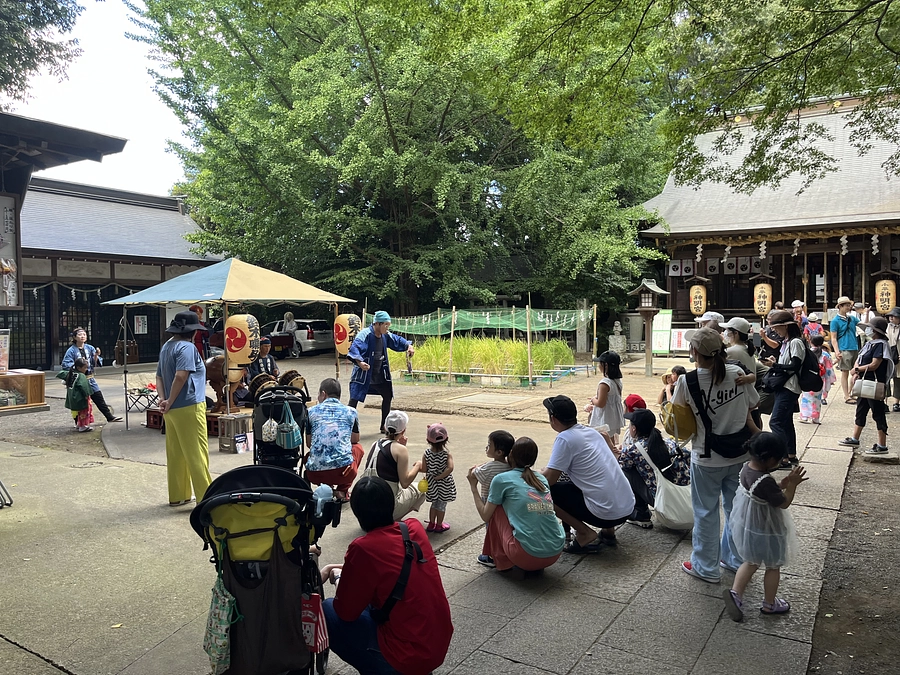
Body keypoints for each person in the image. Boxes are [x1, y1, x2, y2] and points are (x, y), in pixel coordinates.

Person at [320, 476, 453, 675]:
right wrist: (340, 568)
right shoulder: (413, 529)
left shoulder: (363, 548)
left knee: (328, 610)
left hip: (404, 656)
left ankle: (381, 667)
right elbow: (391, 567)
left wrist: (338, 577)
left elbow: (346, 612)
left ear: (357, 512)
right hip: (436, 643)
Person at [671, 327, 760, 583]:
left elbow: (678, 417)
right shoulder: (738, 373)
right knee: (735, 509)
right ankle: (733, 559)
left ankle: (705, 567)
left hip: (706, 456)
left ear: (695, 352)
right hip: (740, 454)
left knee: (705, 512)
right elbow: (752, 404)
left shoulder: (686, 381)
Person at [723, 432, 807, 622]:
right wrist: (792, 485)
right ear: (769, 459)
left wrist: (781, 484)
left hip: (750, 527)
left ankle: (736, 594)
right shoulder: (765, 480)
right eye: (778, 459)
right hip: (768, 529)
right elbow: (783, 503)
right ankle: (770, 604)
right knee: (773, 565)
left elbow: (762, 491)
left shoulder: (747, 468)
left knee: (751, 561)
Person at [541, 395, 635, 553]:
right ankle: (608, 533)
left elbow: (549, 480)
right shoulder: (591, 432)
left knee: (545, 492)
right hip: (626, 508)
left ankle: (584, 533)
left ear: (553, 419)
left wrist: (529, 476)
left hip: (606, 514)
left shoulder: (564, 438)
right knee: (595, 481)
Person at [467, 437, 565, 575]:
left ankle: (498, 559)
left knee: (496, 507)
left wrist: (473, 487)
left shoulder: (501, 479)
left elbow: (485, 515)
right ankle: (533, 555)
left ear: (510, 454)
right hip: (554, 552)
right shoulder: (541, 478)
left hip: (525, 556)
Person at [156, 310, 212, 507]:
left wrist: (164, 401)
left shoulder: (166, 347)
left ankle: (179, 495)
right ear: (194, 331)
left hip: (171, 410)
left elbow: (159, 377)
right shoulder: (187, 348)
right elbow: (181, 376)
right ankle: (206, 498)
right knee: (197, 453)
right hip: (189, 405)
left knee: (176, 453)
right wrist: (170, 400)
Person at [617, 408, 691, 529]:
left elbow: (619, 467)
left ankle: (641, 514)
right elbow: (689, 456)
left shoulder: (632, 450)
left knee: (626, 471)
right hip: (688, 501)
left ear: (634, 428)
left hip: (665, 504)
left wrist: (613, 450)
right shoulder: (669, 442)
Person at [348, 311, 415, 433]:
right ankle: (346, 424)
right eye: (386, 325)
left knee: (387, 395)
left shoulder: (385, 335)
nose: (387, 328)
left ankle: (384, 426)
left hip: (379, 374)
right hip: (363, 374)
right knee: (354, 398)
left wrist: (408, 346)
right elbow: (354, 348)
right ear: (377, 324)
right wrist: (360, 362)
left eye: (388, 325)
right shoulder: (365, 334)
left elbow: (397, 340)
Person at [839, 316, 893, 454]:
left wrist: (857, 370)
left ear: (876, 331)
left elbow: (875, 364)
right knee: (861, 409)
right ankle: (855, 438)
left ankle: (882, 445)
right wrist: (856, 369)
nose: (868, 330)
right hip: (864, 381)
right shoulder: (870, 343)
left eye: (870, 328)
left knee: (878, 412)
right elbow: (859, 359)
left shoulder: (881, 344)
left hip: (874, 383)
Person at [305, 378, 364, 501]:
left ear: (323, 394)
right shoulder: (351, 412)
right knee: (358, 448)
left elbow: (309, 443)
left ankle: (326, 488)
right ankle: (342, 490)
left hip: (315, 474)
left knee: (311, 454)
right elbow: (355, 439)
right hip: (343, 473)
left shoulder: (310, 412)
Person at [362, 410, 426, 520]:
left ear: (385, 427)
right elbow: (405, 482)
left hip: (365, 508)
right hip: (386, 508)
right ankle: (392, 520)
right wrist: (418, 466)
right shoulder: (401, 450)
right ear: (404, 430)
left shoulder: (375, 444)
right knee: (422, 489)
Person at [764, 309, 805, 468]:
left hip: (790, 386)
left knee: (776, 422)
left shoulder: (795, 342)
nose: (774, 330)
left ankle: (782, 458)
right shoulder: (787, 342)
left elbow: (794, 366)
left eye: (776, 327)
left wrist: (775, 365)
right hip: (786, 386)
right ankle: (790, 454)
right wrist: (776, 361)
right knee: (786, 422)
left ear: (786, 326)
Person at [471, 430, 514, 567]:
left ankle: (490, 556)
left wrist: (477, 467)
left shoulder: (489, 468)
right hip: (505, 504)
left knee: (490, 530)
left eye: (489, 445)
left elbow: (473, 474)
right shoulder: (510, 466)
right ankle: (503, 552)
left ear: (499, 452)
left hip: (489, 502)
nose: (486, 447)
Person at [62, 327, 122, 423]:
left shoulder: (90, 348)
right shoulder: (71, 351)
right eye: (80, 335)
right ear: (74, 337)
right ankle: (78, 422)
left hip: (90, 378)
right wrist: (77, 367)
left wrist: (96, 356)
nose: (82, 336)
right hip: (78, 379)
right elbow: (66, 364)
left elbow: (95, 362)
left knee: (98, 396)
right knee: (79, 401)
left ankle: (109, 416)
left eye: (84, 334)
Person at [421, 423, 456, 533]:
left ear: (428, 440)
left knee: (434, 504)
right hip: (444, 483)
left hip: (431, 483)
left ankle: (431, 524)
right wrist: (440, 476)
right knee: (441, 505)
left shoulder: (426, 453)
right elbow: (450, 468)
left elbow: (424, 468)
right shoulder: (446, 454)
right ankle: (439, 525)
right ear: (446, 439)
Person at [585, 350, 624, 442]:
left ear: (605, 365)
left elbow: (601, 403)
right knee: (611, 441)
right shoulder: (617, 381)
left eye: (600, 363)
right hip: (613, 417)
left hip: (605, 418)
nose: (599, 366)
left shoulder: (604, 383)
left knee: (603, 442)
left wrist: (594, 400)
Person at [799, 335, 835, 424]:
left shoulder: (806, 352)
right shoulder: (825, 355)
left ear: (810, 342)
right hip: (819, 379)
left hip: (807, 377)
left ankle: (804, 416)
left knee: (806, 397)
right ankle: (815, 418)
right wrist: (829, 381)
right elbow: (829, 369)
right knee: (817, 399)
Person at [831, 296, 860, 402]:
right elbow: (833, 338)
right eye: (847, 305)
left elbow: (862, 324)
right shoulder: (835, 321)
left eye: (849, 305)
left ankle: (852, 392)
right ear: (841, 307)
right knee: (845, 372)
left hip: (854, 346)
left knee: (856, 371)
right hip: (844, 348)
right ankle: (846, 395)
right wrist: (837, 351)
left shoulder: (852, 318)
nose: (849, 307)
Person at [57, 357, 94, 432]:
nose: (86, 369)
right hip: (79, 397)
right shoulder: (81, 376)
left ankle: (78, 424)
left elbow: (61, 373)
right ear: (79, 368)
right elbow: (84, 386)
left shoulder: (71, 373)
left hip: (71, 396)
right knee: (84, 411)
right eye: (85, 368)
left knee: (77, 412)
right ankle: (82, 426)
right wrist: (87, 395)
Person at [886, 307, 900, 413]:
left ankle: (896, 403)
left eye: (894, 316)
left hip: (899, 358)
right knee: (886, 379)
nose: (891, 318)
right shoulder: (887, 327)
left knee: (898, 380)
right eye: (890, 316)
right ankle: (884, 401)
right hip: (888, 355)